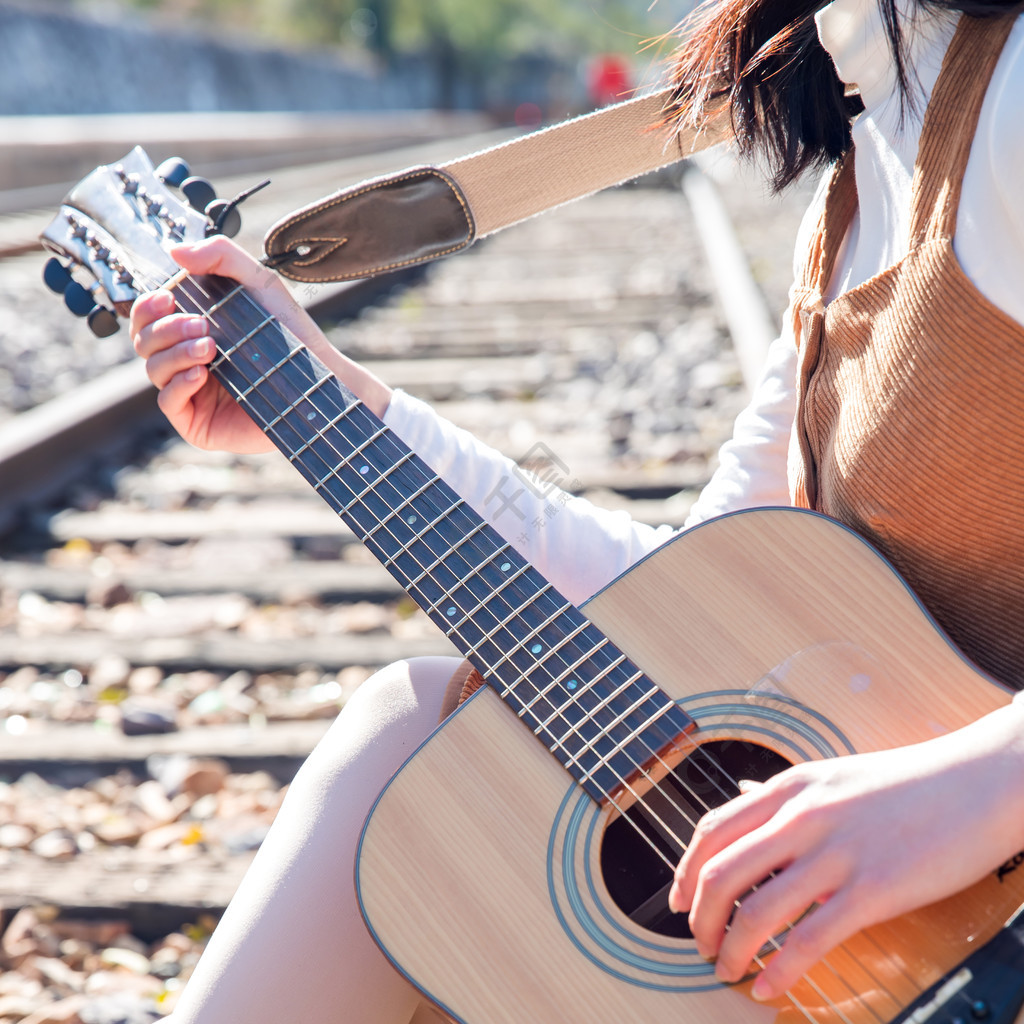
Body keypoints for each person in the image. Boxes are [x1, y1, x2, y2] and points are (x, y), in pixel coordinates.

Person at [130, 0, 1024, 1018]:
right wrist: (331, 403)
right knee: (415, 742)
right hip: (871, 945)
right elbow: (677, 604)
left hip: (982, 940)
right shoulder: (860, 186)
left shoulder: (1010, 100)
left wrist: (977, 784)